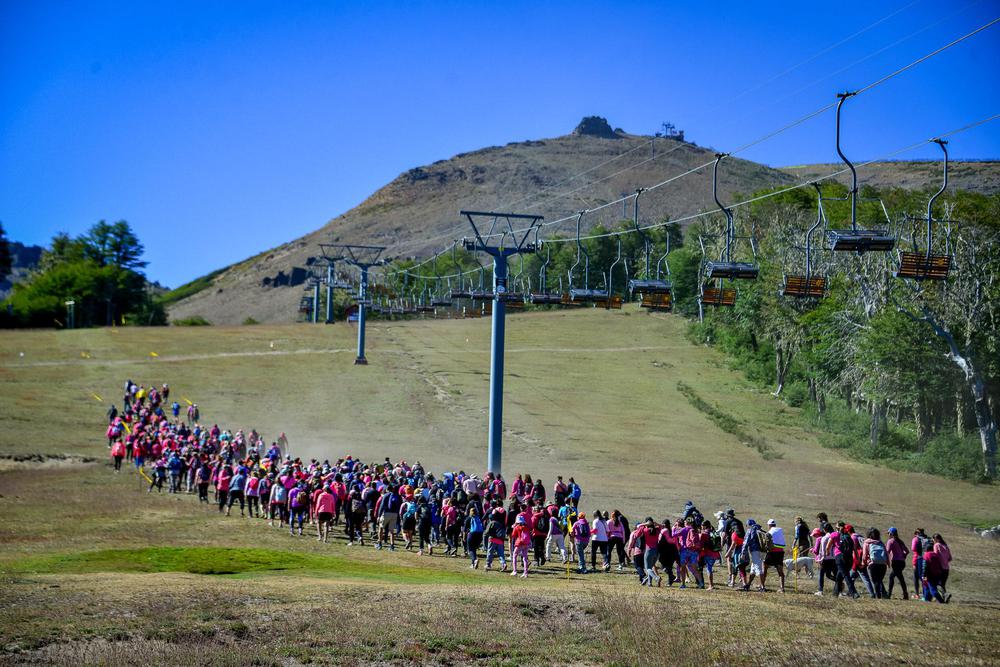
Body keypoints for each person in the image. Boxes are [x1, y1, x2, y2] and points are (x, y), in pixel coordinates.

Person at [862, 527, 888, 599]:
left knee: (875, 581)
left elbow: (864, 555)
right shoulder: (881, 542)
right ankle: (882, 595)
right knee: (879, 580)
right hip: (883, 564)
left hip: (872, 564)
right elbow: (886, 553)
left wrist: (863, 563)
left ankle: (878, 597)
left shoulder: (866, 543)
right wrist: (888, 563)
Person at [885, 527, 909, 600]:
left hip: (896, 562)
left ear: (891, 533)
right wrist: (903, 556)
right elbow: (907, 551)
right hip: (902, 562)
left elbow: (887, 551)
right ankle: (905, 594)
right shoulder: (900, 541)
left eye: (888, 533)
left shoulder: (891, 541)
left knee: (891, 577)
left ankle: (889, 594)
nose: (888, 534)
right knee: (900, 578)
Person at [764, 518, 786, 594]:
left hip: (771, 552)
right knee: (780, 572)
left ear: (769, 525)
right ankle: (782, 588)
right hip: (780, 552)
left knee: (765, 568)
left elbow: (767, 544)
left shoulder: (769, 532)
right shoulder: (780, 531)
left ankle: (762, 585)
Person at [465, 504, 484, 569]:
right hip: (480, 534)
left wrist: (464, 537)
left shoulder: (469, 518)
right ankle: (473, 564)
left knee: (470, 549)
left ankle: (475, 559)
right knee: (474, 549)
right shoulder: (478, 518)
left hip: (472, 534)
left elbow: (465, 529)